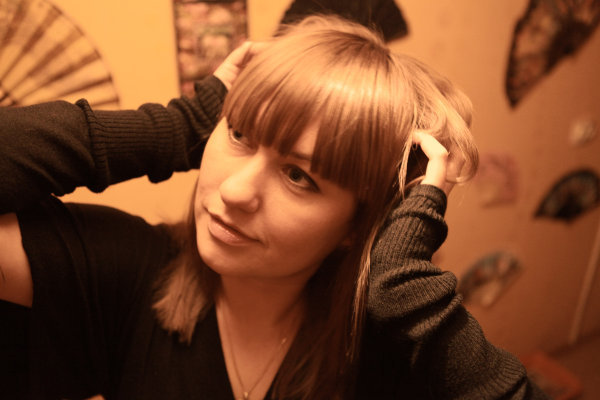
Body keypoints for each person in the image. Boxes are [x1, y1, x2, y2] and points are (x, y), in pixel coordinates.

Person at [0, 15, 547, 400]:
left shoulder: (395, 347)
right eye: (238, 134)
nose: (235, 192)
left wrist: (411, 297)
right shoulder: (125, 272)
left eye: (298, 176)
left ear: (358, 225)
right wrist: (181, 124)